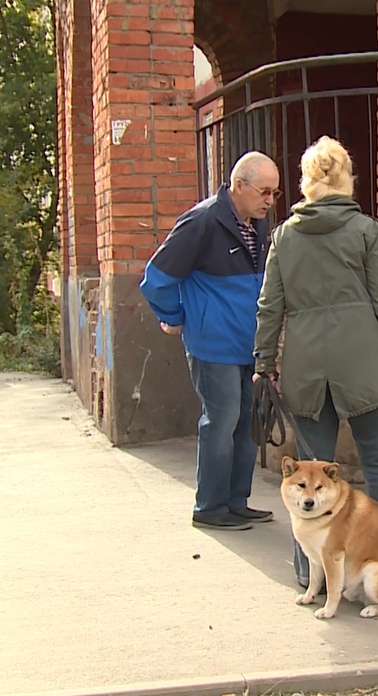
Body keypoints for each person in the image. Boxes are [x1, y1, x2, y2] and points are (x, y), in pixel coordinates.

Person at [253, 136, 378, 587]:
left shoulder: (284, 237)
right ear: (346, 178)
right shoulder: (366, 231)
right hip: (362, 363)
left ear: (306, 182)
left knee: (309, 473)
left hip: (306, 368)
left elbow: (270, 306)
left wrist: (264, 361)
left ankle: (307, 572)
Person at [140, 152, 282, 532]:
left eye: (275, 193)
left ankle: (236, 501)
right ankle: (210, 505)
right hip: (213, 343)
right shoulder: (202, 221)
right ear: (239, 185)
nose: (270, 200)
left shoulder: (257, 225)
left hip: (247, 343)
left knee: (248, 422)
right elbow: (156, 278)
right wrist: (174, 318)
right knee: (221, 421)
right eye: (264, 191)